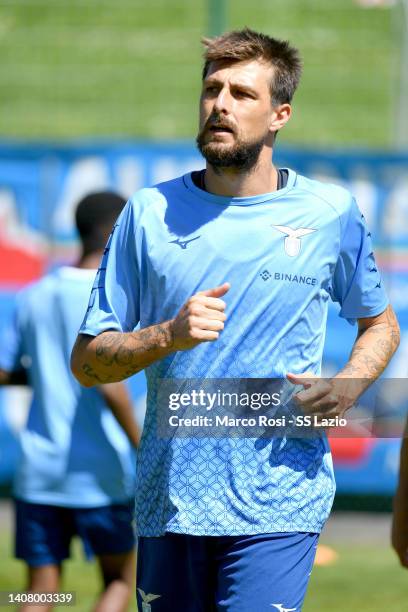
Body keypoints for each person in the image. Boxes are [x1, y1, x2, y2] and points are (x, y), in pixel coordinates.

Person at [71, 29, 400, 611]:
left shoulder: (330, 213)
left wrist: (349, 386)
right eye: (211, 89)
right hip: (168, 503)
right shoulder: (146, 214)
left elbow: (380, 326)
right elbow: (89, 365)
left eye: (242, 93)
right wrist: (165, 335)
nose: (220, 104)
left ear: (281, 114)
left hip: (281, 498)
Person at [0, 192, 140, 612]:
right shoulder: (111, 298)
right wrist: (144, 445)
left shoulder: (34, 295)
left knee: (43, 592)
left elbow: (6, 370)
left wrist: (44, 373)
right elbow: (108, 383)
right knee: (118, 581)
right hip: (102, 473)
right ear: (119, 234)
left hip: (40, 470)